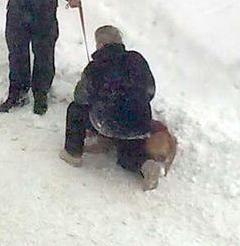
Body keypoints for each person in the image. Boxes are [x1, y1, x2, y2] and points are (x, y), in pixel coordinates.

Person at [59, 25, 163, 190]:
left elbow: (80, 97)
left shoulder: (95, 67)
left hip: (109, 123)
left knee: (75, 110)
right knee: (127, 153)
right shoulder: (137, 59)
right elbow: (150, 91)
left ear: (100, 45)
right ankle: (147, 166)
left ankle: (72, 154)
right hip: (140, 123)